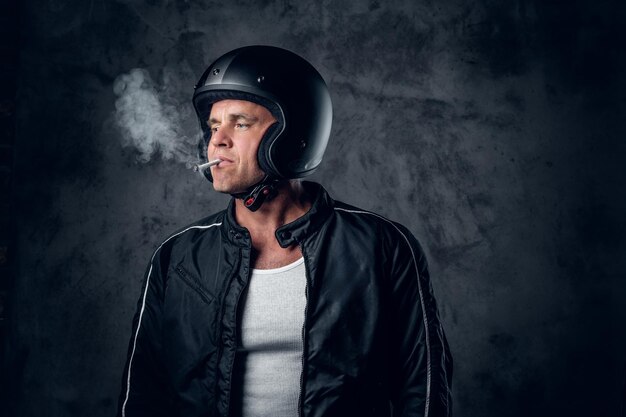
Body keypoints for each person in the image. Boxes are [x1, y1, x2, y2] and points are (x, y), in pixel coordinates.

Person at [117, 45, 453, 417]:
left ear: (294, 135)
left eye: (240, 123)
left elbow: (422, 388)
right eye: (213, 126)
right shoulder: (177, 257)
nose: (217, 140)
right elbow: (143, 395)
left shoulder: (383, 246)